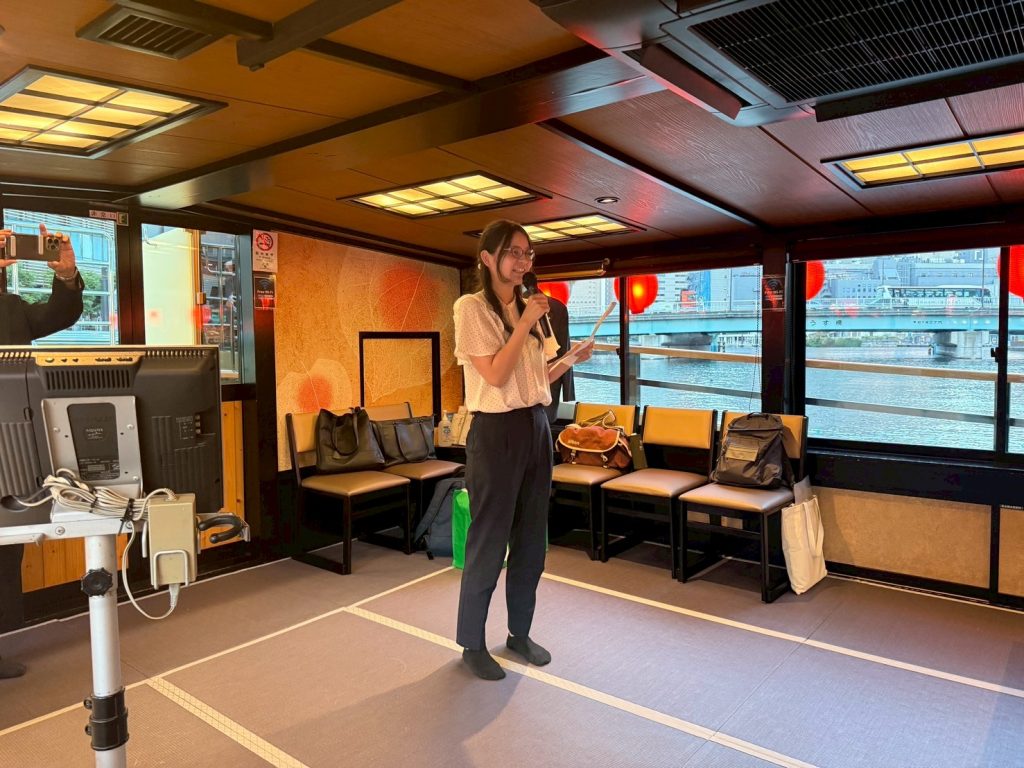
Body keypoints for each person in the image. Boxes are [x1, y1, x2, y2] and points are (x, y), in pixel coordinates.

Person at [453, 219, 593, 681]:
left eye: (527, 253)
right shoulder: (472, 308)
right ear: (487, 258)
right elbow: (495, 375)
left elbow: (535, 380)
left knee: (532, 538)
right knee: (489, 540)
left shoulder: (529, 309)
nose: (522, 261)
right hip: (495, 432)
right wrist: (525, 322)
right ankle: (472, 643)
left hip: (536, 425)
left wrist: (570, 359)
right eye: (513, 252)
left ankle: (519, 633)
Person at [0, 224, 84, 680]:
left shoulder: (11, 307)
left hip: (8, 448)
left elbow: (60, 313)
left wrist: (66, 274)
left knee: (5, 549)